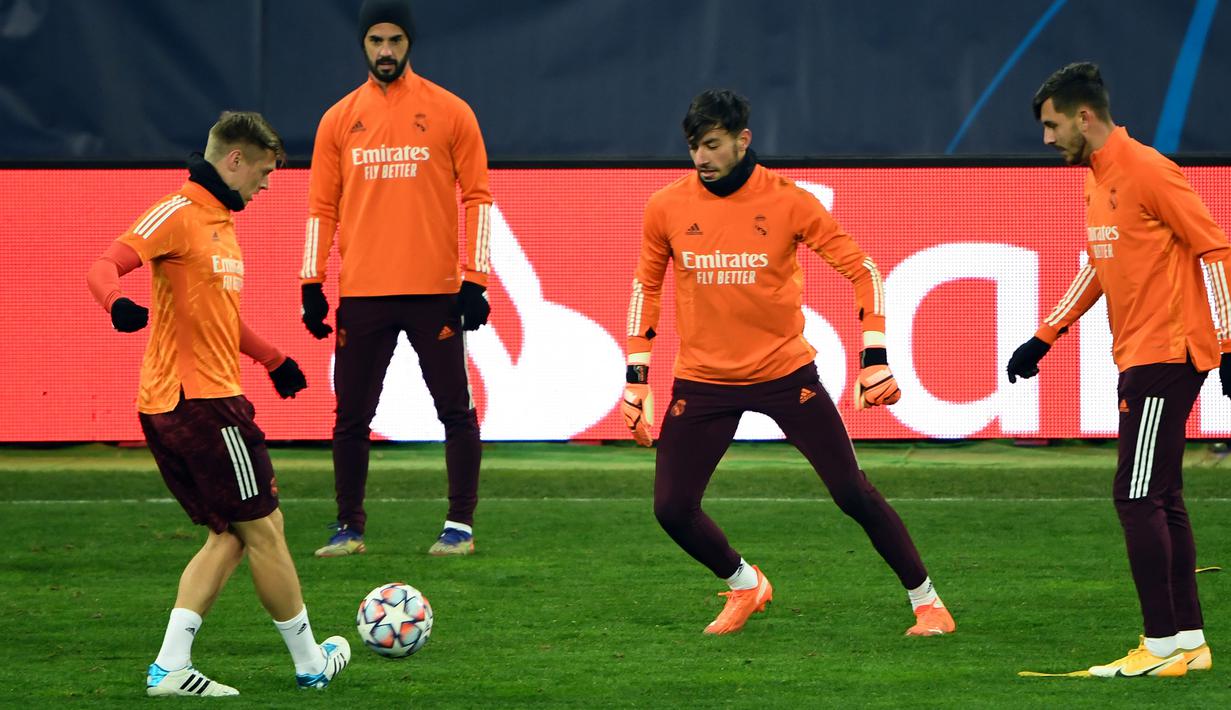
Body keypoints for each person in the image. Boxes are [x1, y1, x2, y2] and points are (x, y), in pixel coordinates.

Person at [621, 89, 955, 637]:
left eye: (711, 145)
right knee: (672, 509)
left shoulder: (789, 201)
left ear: (742, 140)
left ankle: (928, 603)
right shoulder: (666, 206)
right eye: (692, 147)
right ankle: (744, 583)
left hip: (785, 376)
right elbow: (645, 289)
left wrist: (875, 355)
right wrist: (636, 378)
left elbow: (863, 269)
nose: (700, 158)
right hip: (703, 381)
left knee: (851, 492)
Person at [86, 112, 350, 696]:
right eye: (262, 172)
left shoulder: (222, 224)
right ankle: (310, 663)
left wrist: (273, 358)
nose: (265, 185)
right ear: (235, 159)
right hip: (197, 404)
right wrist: (117, 305)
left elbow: (220, 319)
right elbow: (103, 266)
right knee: (265, 531)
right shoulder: (179, 212)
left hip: (206, 399)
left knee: (234, 532)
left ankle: (170, 667)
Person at [1008, 62, 1223, 678]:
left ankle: (1158, 648)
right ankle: (1188, 642)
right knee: (1163, 498)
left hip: (1164, 355)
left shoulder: (1148, 170)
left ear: (1084, 115)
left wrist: (1229, 345)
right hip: (1143, 355)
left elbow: (1215, 248)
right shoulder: (1098, 176)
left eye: (1052, 126)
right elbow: (1101, 263)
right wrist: (1044, 335)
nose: (1047, 140)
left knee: (1134, 498)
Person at [301, 0, 492, 558]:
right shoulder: (338, 119)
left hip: (435, 290)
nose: (386, 51)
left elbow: (479, 197)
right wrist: (310, 283)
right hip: (362, 291)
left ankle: (460, 525)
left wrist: (475, 280)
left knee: (455, 411)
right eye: (376, 41)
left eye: (395, 40)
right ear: (363, 44)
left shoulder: (451, 111)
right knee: (351, 417)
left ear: (410, 43)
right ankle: (348, 528)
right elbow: (320, 207)